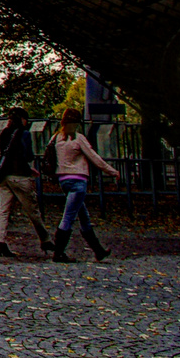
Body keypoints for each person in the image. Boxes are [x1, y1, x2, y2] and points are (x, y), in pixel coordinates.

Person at [49, 106, 122, 263]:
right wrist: (112, 172)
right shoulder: (78, 137)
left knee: (83, 216)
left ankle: (98, 250)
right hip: (78, 180)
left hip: (63, 180)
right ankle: (58, 252)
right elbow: (95, 158)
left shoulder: (56, 138)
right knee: (68, 216)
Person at [0, 106, 52, 258]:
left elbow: (5, 154)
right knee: (32, 210)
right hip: (19, 176)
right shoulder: (24, 134)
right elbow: (27, 155)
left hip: (4, 175)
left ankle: (1, 241)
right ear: (23, 119)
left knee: (4, 210)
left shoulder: (4, 133)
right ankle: (45, 239)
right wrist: (28, 168)